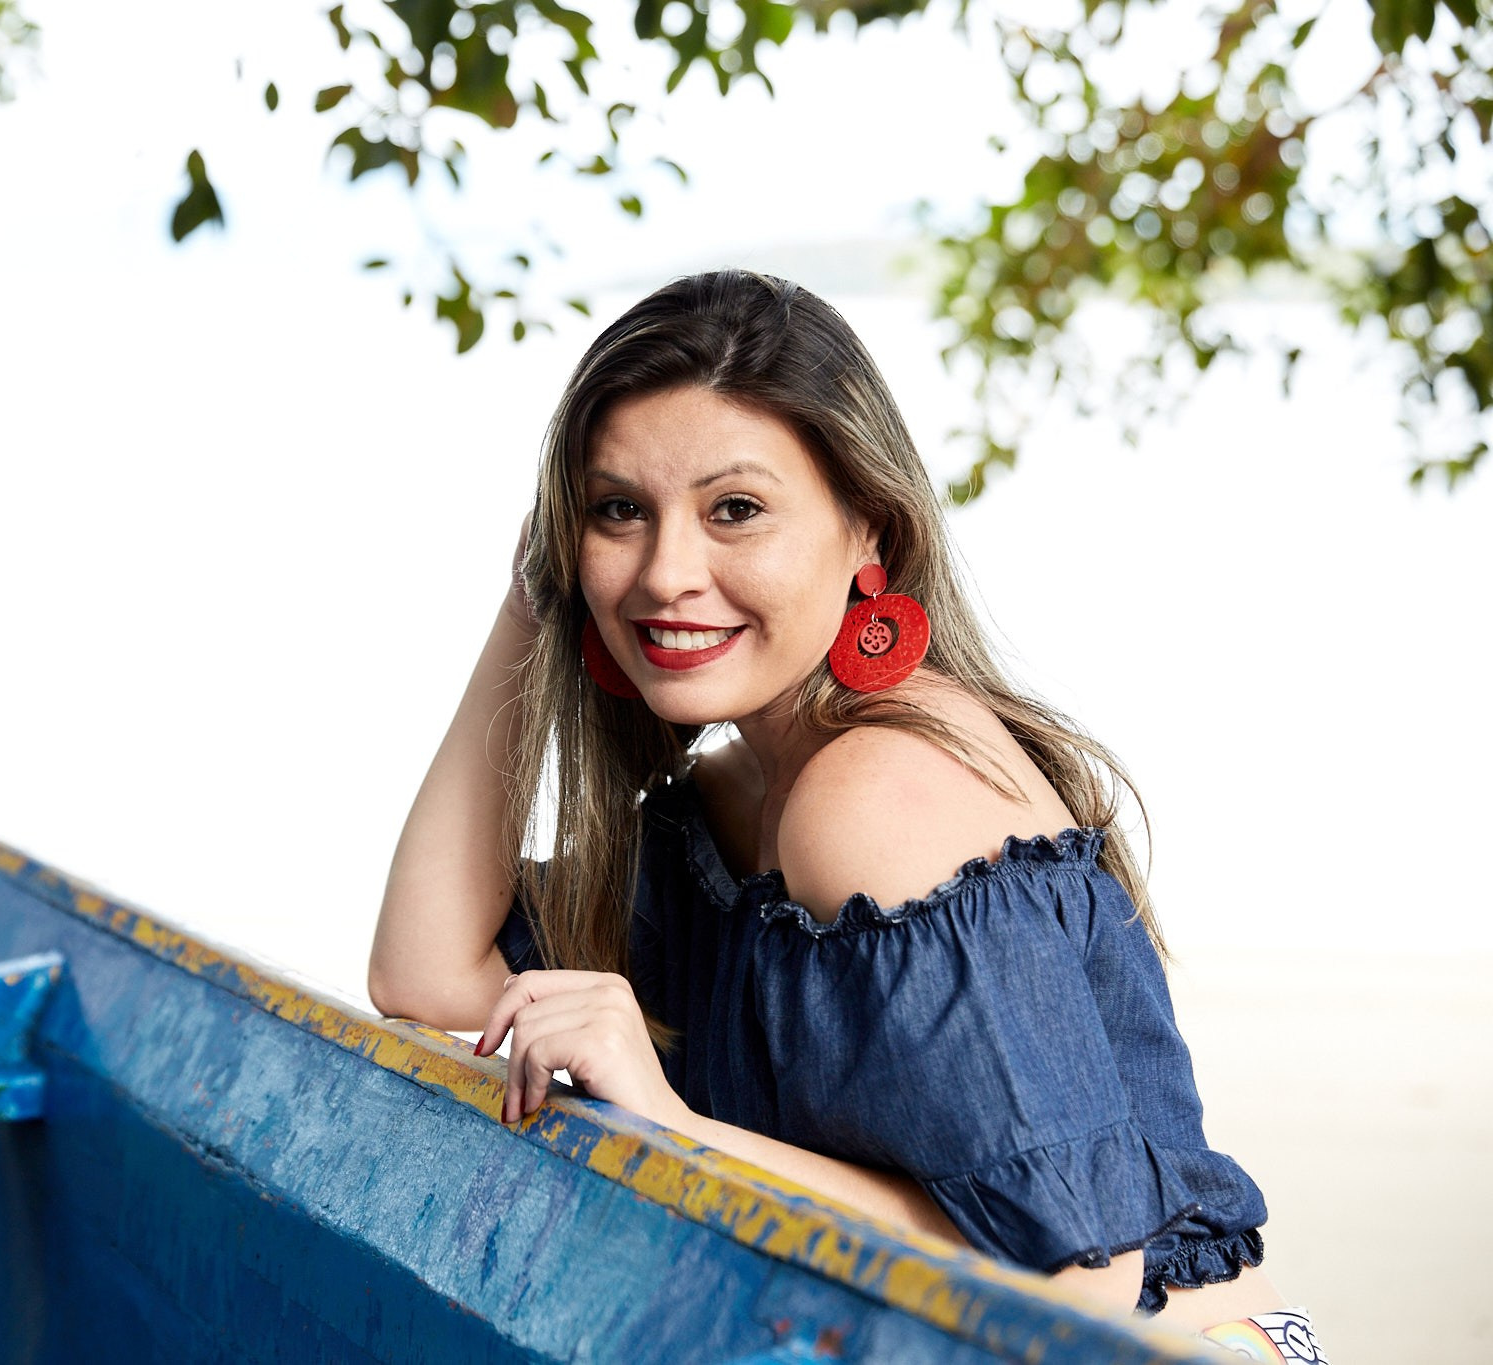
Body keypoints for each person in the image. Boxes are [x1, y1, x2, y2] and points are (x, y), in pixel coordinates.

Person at [368, 271, 1324, 1354]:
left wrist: (673, 1131)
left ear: (868, 527)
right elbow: (427, 976)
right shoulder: (731, 796)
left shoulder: (874, 791)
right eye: (617, 511)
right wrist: (533, 597)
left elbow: (1077, 1284)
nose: (666, 573)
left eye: (735, 510)